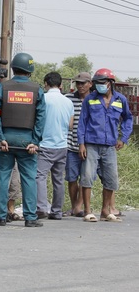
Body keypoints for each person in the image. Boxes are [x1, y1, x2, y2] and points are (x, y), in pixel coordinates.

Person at [0, 52, 46, 228]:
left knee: (1, 177)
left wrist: (0, 137)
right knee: (29, 178)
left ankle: (0, 216)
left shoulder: (2, 87)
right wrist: (35, 141)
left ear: (13, 68)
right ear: (30, 70)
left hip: (6, 139)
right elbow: (40, 117)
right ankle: (30, 217)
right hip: (27, 140)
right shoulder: (37, 89)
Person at [78, 68, 132, 223]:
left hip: (110, 146)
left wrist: (124, 138)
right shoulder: (90, 99)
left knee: (111, 179)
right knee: (87, 177)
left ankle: (105, 211)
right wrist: (81, 144)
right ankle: (88, 212)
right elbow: (82, 122)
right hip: (91, 144)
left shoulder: (120, 100)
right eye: (97, 83)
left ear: (110, 83)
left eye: (102, 82)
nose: (99, 86)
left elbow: (128, 119)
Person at [36, 72, 74, 220]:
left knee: (40, 177)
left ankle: (41, 208)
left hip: (45, 144)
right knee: (58, 179)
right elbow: (70, 126)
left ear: (45, 84)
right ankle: (57, 211)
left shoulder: (43, 99)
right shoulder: (68, 102)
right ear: (61, 85)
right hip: (62, 145)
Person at [64, 72, 92, 217]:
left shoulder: (94, 99)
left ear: (90, 84)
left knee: (86, 177)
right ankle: (74, 205)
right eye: (78, 83)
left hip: (89, 145)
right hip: (71, 144)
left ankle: (79, 206)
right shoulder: (68, 98)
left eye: (83, 83)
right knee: (71, 177)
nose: (80, 86)